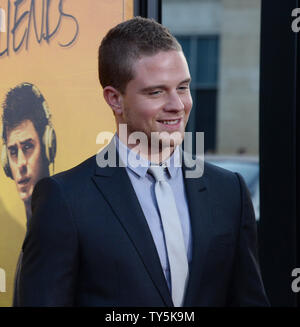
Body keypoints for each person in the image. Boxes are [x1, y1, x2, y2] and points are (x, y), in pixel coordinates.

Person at [18, 17, 269, 306]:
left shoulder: (229, 192)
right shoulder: (65, 199)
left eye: (183, 87)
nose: (177, 105)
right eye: (157, 91)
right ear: (115, 100)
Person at [1, 82, 56, 305]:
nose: (21, 163)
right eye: (13, 152)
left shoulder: (60, 234)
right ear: (5, 162)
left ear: (48, 145)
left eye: (28, 147)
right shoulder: (31, 240)